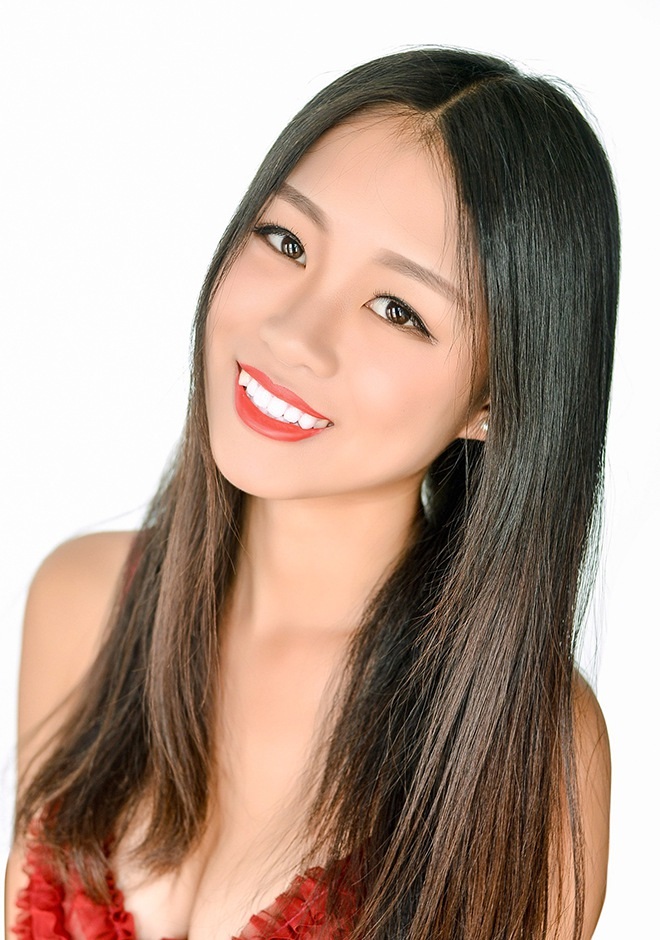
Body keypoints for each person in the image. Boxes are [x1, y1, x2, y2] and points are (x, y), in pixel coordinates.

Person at [5, 46, 617, 940]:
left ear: (496, 399)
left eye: (398, 310)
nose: (294, 332)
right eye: (287, 241)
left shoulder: (532, 750)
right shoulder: (81, 602)